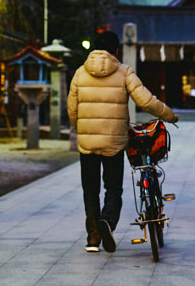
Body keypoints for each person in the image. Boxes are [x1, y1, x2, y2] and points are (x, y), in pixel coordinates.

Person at [67, 30, 178, 254]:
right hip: (114, 142)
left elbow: (72, 109)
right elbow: (146, 101)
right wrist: (170, 115)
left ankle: (92, 238)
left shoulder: (80, 73)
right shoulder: (124, 72)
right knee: (113, 188)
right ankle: (107, 221)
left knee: (90, 189)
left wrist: (82, 128)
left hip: (87, 142)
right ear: (116, 50)